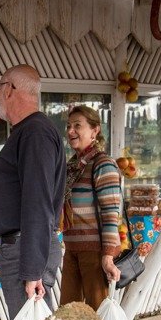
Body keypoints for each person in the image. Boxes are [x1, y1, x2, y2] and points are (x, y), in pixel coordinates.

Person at [0, 65, 65, 318]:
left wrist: (32, 271)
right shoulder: (29, 131)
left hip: (24, 251)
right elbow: (22, 197)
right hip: (22, 247)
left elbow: (37, 202)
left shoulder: (35, 132)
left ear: (9, 89)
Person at [60, 105, 122, 309]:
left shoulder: (103, 164)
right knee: (68, 317)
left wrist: (108, 256)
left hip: (95, 254)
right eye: (69, 126)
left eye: (78, 125)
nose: (71, 131)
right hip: (72, 250)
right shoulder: (71, 167)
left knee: (99, 318)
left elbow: (111, 214)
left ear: (95, 130)